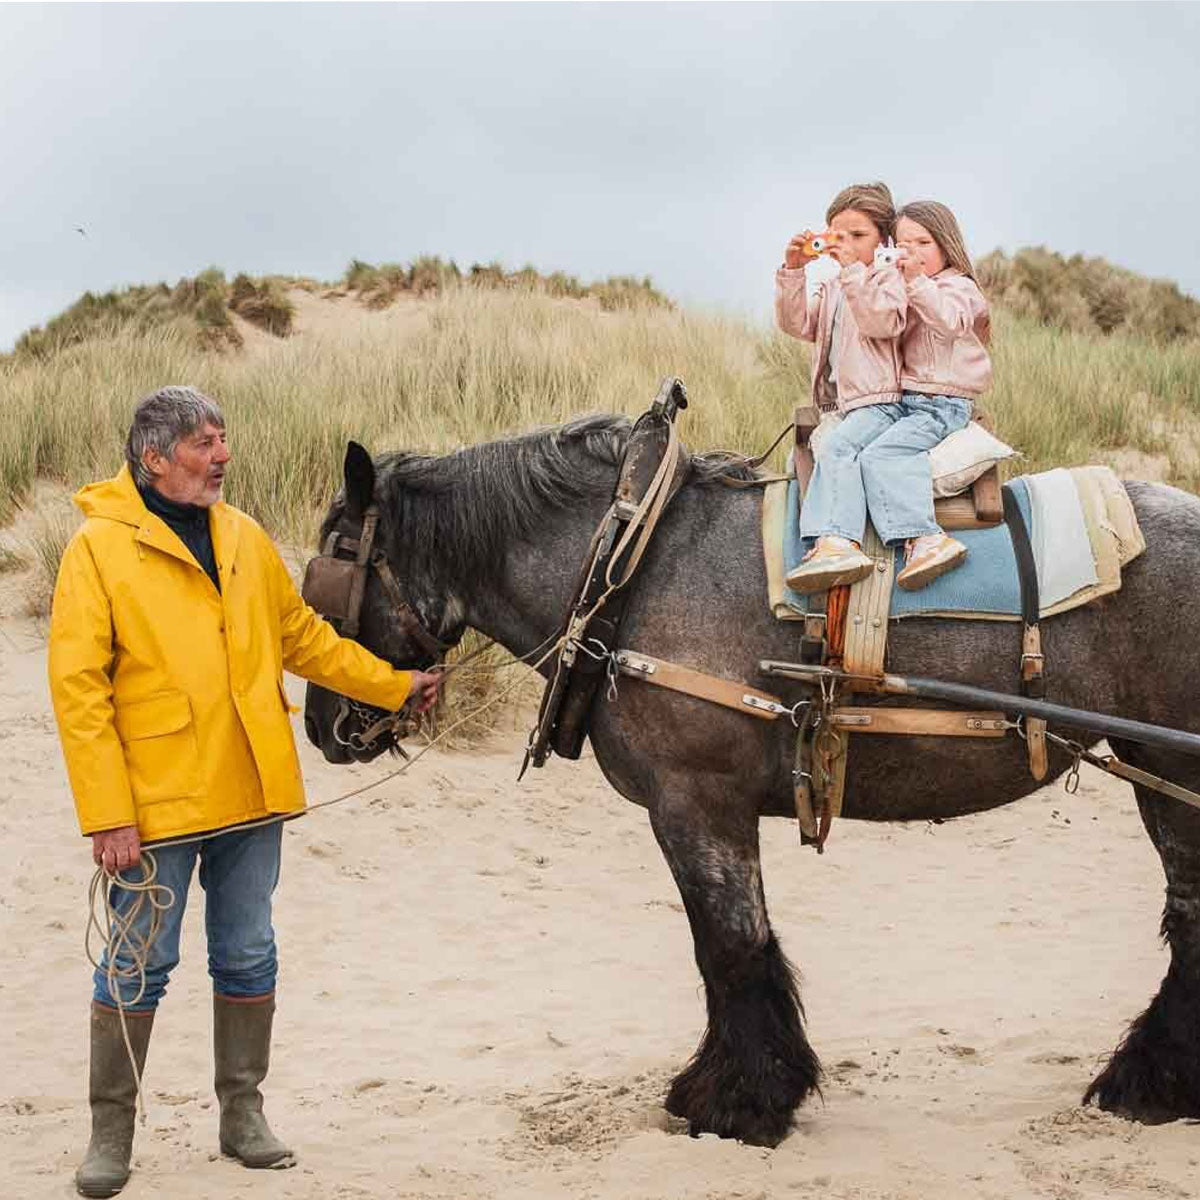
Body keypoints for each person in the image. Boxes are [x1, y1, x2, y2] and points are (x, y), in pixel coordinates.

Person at [48, 386, 443, 1198]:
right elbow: (79, 692)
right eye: (204, 441)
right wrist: (108, 814)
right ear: (155, 458)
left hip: (252, 793)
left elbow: (302, 638)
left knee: (247, 953)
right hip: (152, 808)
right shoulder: (96, 549)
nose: (222, 453)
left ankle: (243, 1116)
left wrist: (394, 684)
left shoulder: (242, 536)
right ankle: (110, 1137)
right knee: (137, 965)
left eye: (224, 437)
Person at [774, 181, 911, 592]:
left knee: (837, 449)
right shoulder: (834, 285)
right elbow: (798, 324)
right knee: (800, 467)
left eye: (859, 235)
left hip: (881, 400)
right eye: (838, 236)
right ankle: (809, 548)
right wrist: (794, 270)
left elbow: (881, 323)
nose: (847, 244)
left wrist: (853, 271)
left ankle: (839, 540)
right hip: (843, 405)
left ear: (883, 239)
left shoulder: (890, 278)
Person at [889, 199, 993, 588]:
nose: (912, 253)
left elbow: (949, 322)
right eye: (903, 244)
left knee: (889, 454)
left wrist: (914, 280)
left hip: (942, 402)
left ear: (945, 244)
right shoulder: (905, 287)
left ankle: (926, 538)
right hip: (910, 400)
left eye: (923, 243)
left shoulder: (960, 288)